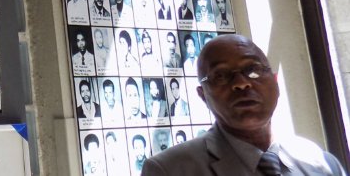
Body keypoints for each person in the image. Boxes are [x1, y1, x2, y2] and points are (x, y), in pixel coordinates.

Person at [143, 35, 347, 175]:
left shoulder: (321, 163)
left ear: (275, 81)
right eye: (221, 76)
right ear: (202, 95)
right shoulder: (169, 170)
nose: (241, 83)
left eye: (253, 70)